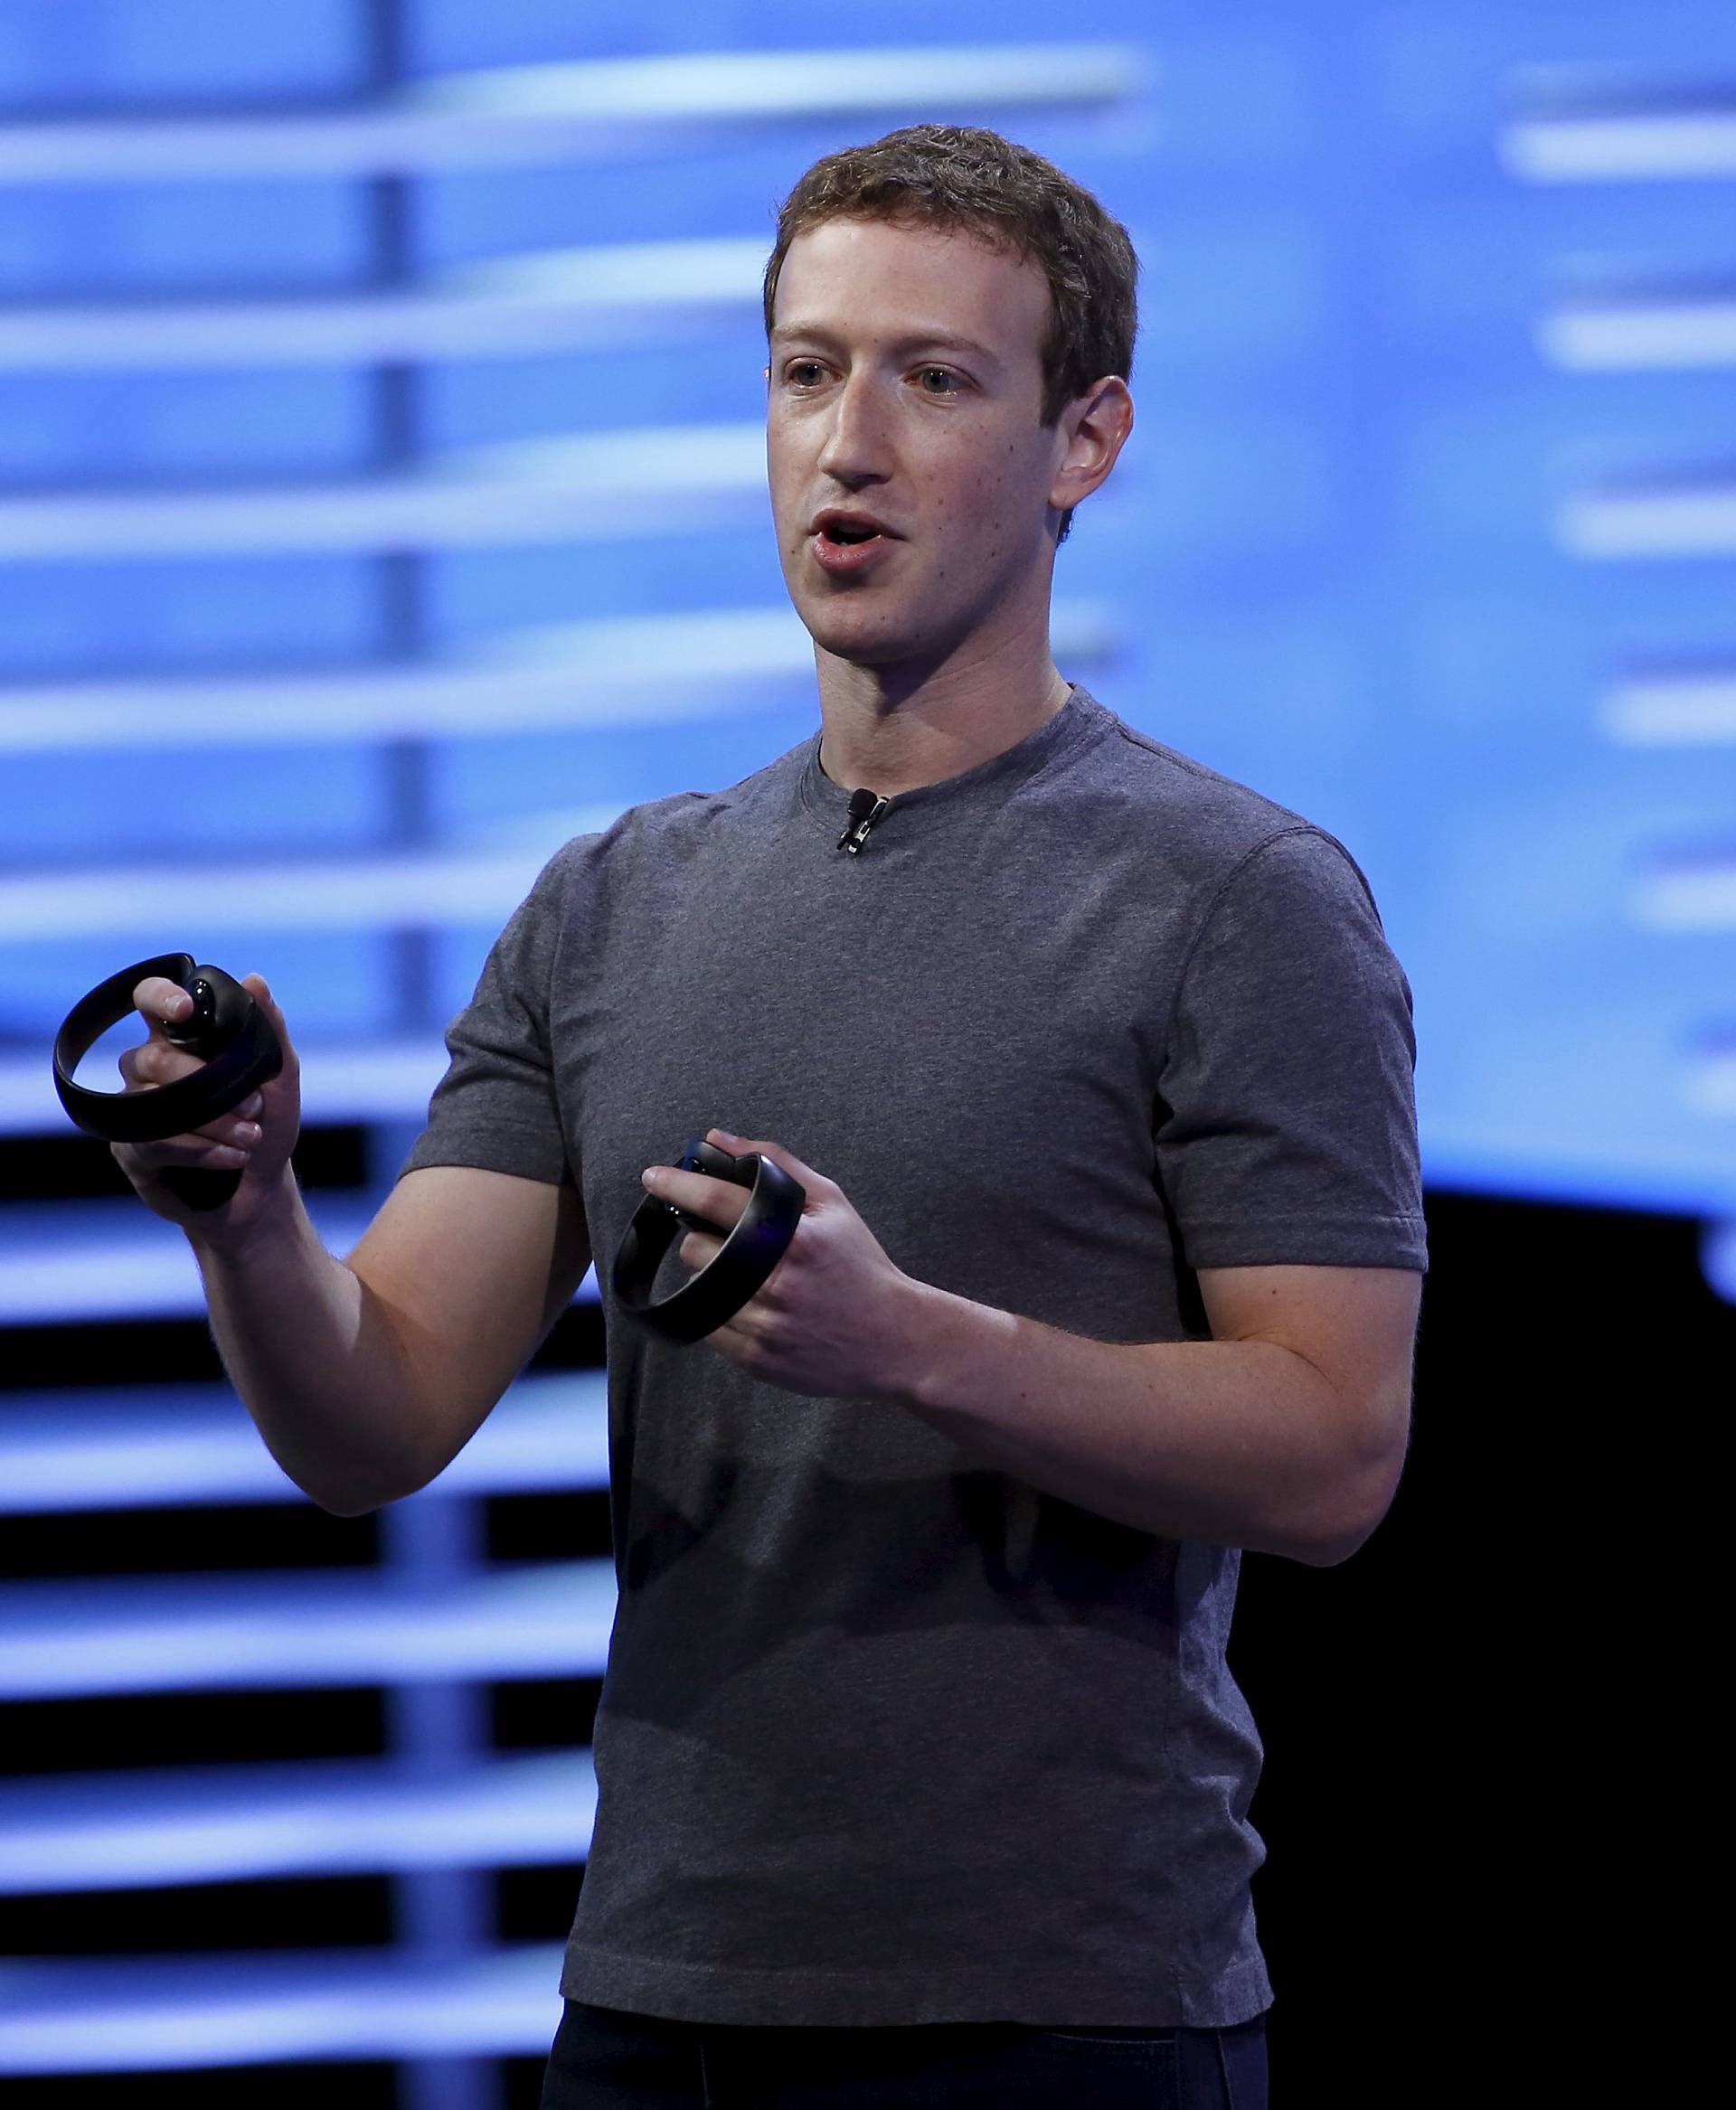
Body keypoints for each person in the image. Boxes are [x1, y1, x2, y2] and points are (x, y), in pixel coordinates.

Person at [114, 124, 1427, 2109]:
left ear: (1087, 442)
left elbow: (1332, 1455)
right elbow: (372, 1423)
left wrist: (916, 1347)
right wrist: (244, 1214)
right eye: (808, 371)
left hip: (1070, 2015)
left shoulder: (1235, 900)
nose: (852, 442)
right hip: (666, 2004)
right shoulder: (611, 902)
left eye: (936, 376)